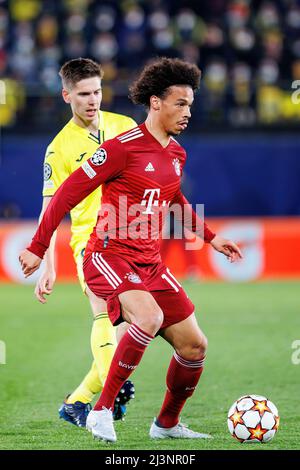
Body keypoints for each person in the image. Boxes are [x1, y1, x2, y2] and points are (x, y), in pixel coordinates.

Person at [20, 57, 242, 442]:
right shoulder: (121, 148)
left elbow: (175, 202)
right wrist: (39, 248)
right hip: (106, 255)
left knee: (194, 346)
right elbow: (64, 196)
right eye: (181, 103)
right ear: (156, 103)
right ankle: (99, 411)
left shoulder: (176, 153)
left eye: (191, 104)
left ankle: (166, 425)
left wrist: (210, 237)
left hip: (149, 263)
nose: (188, 112)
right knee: (148, 317)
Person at [35, 58, 137, 426]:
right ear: (67, 96)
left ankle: (76, 403)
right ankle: (114, 386)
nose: (93, 100)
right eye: (83, 94)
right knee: (103, 317)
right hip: (90, 243)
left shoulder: (125, 127)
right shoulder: (58, 149)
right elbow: (50, 211)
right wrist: (48, 265)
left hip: (132, 241)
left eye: (97, 91)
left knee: (130, 330)